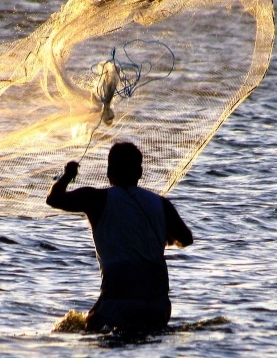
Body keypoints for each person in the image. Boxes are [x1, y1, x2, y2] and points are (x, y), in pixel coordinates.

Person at [46, 141, 193, 333]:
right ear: (139, 173)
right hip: (158, 306)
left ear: (109, 171)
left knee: (76, 329)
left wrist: (68, 176)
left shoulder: (96, 198)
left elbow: (53, 199)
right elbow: (186, 239)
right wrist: (164, 236)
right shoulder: (161, 204)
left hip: (117, 304)